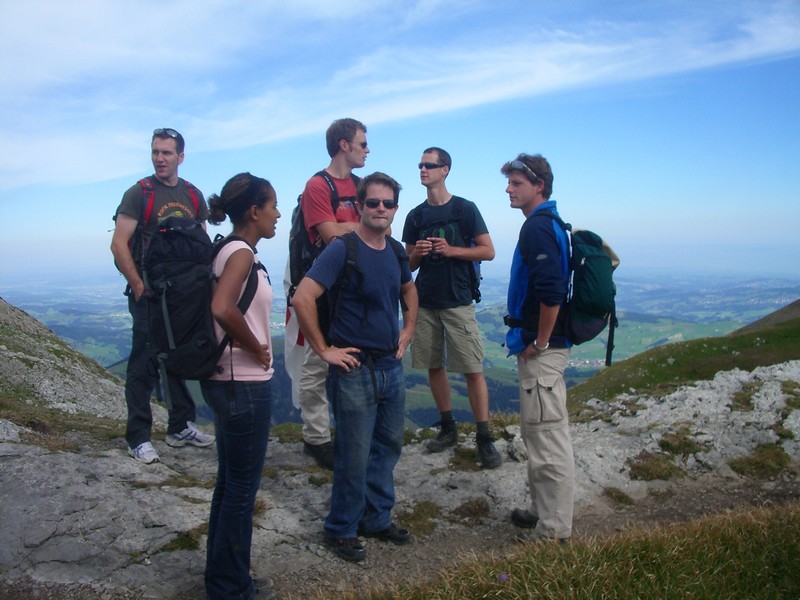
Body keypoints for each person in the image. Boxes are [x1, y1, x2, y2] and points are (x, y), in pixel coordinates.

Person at [292, 172, 418, 563]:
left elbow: (408, 289)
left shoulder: (395, 250)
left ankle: (377, 518)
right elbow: (303, 297)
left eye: (388, 204)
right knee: (354, 453)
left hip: (389, 365)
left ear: (395, 209)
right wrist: (324, 349)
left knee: (388, 447)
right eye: (373, 203)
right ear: (360, 206)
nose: (381, 209)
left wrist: (408, 329)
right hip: (353, 368)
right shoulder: (342, 249)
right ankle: (342, 528)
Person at [110, 128, 215, 464]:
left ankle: (180, 426)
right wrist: (139, 286)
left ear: (180, 157)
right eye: (156, 152)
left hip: (185, 294)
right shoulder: (139, 194)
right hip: (151, 293)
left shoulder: (193, 195)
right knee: (144, 362)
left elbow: (201, 239)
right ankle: (138, 436)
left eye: (167, 153)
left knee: (179, 355)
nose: (160, 158)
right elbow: (118, 244)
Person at [201, 173, 280, 600]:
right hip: (243, 383)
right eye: (272, 206)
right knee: (240, 491)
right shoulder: (241, 254)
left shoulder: (227, 249)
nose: (278, 214)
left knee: (229, 485)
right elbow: (221, 308)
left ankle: (224, 577)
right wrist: (258, 348)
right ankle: (232, 588)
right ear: (254, 211)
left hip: (227, 381)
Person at [401, 147, 501, 469]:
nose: (422, 170)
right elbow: (408, 266)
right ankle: (448, 428)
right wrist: (421, 252)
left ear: (445, 170)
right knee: (433, 366)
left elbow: (488, 251)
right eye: (420, 165)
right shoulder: (415, 216)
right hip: (426, 301)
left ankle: (484, 437)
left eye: (428, 165)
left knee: (473, 368)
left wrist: (451, 250)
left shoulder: (465, 209)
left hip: (458, 300)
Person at [285, 118, 370, 470]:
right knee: (317, 361)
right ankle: (317, 438)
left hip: (351, 285)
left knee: (354, 357)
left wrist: (348, 227)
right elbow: (328, 234)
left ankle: (349, 433)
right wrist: (360, 228)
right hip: (320, 285)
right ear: (343, 145)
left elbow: (381, 226)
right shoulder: (317, 186)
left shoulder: (364, 184)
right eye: (362, 143)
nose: (367, 149)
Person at [501, 153, 574, 542]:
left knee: (547, 439)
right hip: (540, 348)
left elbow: (551, 292)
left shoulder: (537, 229)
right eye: (509, 183)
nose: (508, 190)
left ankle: (555, 530)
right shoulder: (549, 223)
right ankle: (539, 510)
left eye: (516, 183)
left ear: (538, 185)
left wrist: (539, 342)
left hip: (543, 351)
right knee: (537, 432)